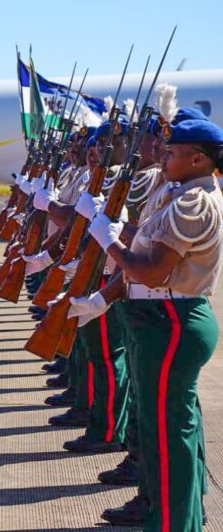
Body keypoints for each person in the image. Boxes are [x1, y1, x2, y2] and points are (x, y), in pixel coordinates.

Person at [73, 117, 223, 530]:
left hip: (171, 320)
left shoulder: (195, 201)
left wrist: (110, 241)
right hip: (158, 317)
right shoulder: (180, 193)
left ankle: (174, 522)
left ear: (198, 158)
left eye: (171, 152)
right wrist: (105, 292)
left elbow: (154, 271)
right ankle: (171, 511)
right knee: (165, 425)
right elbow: (147, 243)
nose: (162, 155)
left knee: (167, 433)